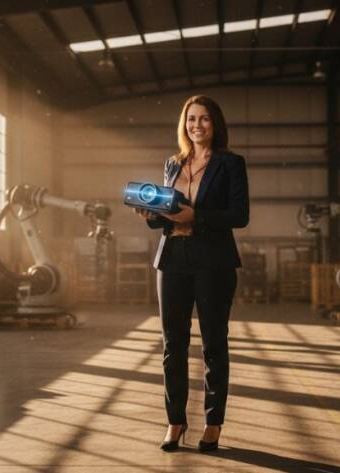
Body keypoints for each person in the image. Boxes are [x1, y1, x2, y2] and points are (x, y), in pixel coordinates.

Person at [134, 95, 249, 452]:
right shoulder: (173, 163)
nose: (196, 125)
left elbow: (239, 215)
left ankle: (213, 424)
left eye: (204, 119)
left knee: (214, 345)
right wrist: (151, 214)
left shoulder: (230, 163)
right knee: (173, 346)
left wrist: (195, 217)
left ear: (215, 124)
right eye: (190, 119)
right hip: (172, 259)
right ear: (184, 124)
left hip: (213, 260)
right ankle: (176, 421)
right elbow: (168, 213)